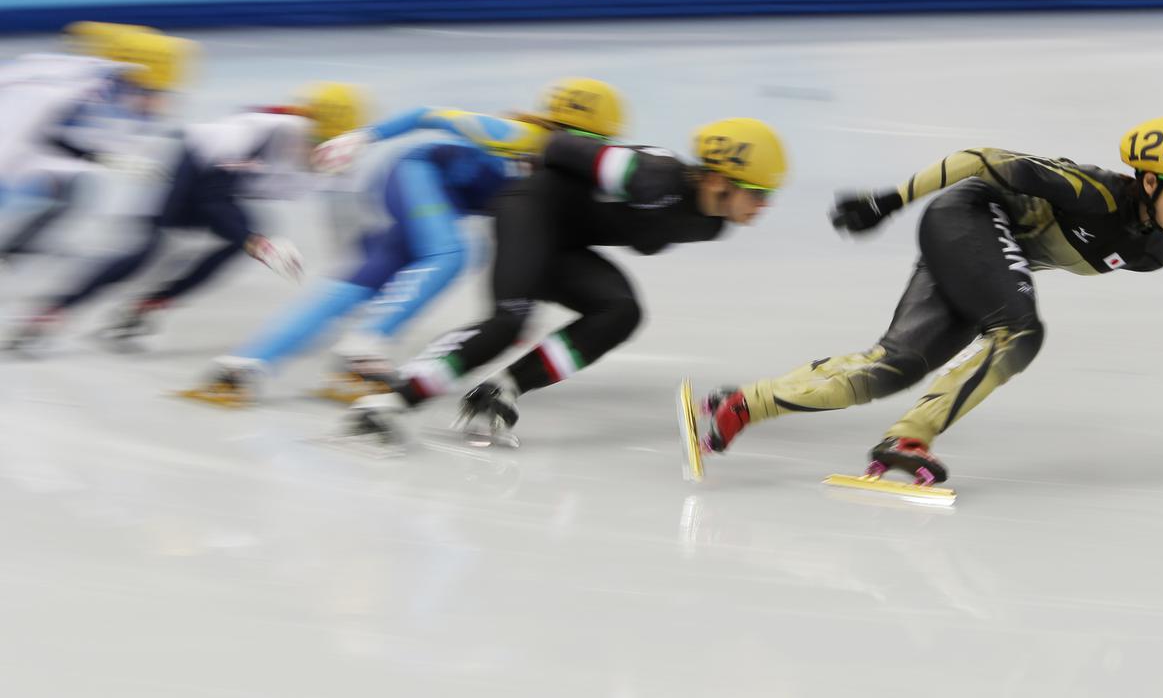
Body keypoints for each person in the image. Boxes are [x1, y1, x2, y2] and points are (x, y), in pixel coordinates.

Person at [684, 117, 1163, 486]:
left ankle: (744, 405)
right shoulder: (1094, 192)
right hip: (968, 217)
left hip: (984, 256)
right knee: (1021, 331)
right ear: (1151, 180)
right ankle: (908, 438)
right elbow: (979, 160)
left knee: (895, 366)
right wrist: (886, 201)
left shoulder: (1151, 251)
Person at [178, 77, 626, 407]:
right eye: (568, 134)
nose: (577, 150)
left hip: (432, 200)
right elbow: (429, 115)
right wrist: (363, 137)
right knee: (453, 253)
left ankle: (246, 364)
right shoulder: (523, 136)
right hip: (416, 173)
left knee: (359, 283)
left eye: (591, 143)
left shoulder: (575, 175)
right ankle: (366, 344)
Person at [344, 116, 788, 446]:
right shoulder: (653, 174)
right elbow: (558, 146)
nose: (763, 206)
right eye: (758, 192)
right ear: (717, 179)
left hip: (565, 239)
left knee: (620, 312)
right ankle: (393, 400)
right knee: (508, 322)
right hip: (529, 211)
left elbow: (641, 234)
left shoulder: (712, 224)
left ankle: (501, 389)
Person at [6, 83, 367, 352]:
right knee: (147, 249)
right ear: (307, 128)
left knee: (243, 240)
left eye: (332, 151)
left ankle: (151, 304)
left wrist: (358, 282)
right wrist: (254, 241)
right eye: (316, 145)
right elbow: (212, 199)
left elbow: (345, 227)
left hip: (222, 187)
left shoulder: (337, 163)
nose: (320, 158)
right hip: (192, 166)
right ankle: (50, 313)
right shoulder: (261, 134)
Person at [0, 24, 190, 267]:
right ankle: (14, 249)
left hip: (30, 138)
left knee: (69, 191)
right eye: (152, 93)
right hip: (15, 140)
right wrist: (104, 158)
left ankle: (15, 248)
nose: (158, 101)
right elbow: (48, 139)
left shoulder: (94, 77)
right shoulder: (74, 90)